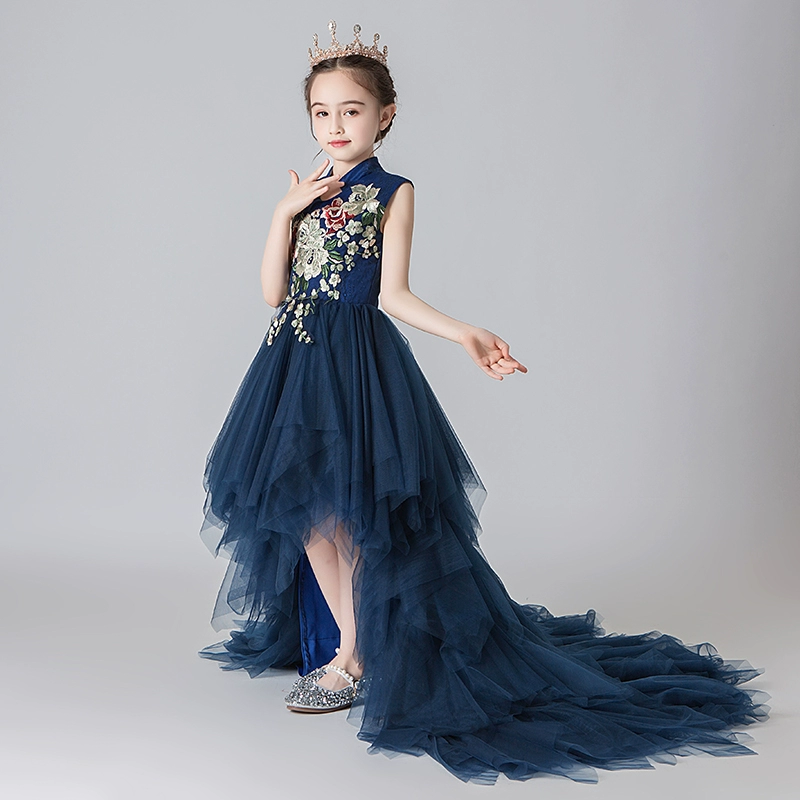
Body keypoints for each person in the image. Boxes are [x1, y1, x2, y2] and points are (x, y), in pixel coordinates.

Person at [198, 20, 769, 785]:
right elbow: (274, 292)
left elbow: (393, 295)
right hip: (292, 363)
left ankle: (353, 658)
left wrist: (465, 331)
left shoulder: (392, 192)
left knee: (355, 516)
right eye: (322, 112)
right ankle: (345, 644)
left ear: (384, 116)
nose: (335, 125)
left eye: (351, 111)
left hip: (354, 366)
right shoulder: (302, 195)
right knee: (307, 517)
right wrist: (282, 212)